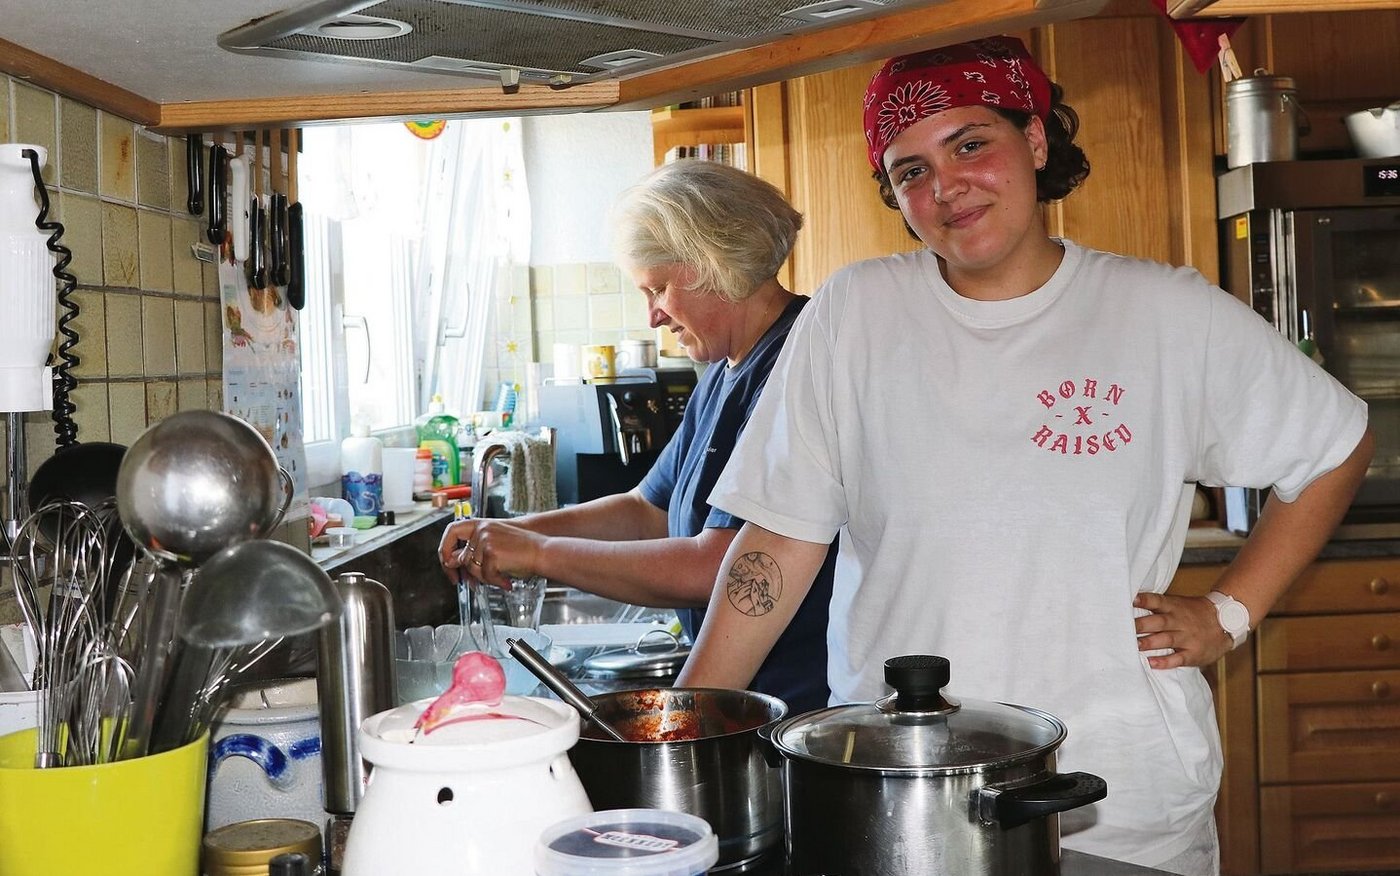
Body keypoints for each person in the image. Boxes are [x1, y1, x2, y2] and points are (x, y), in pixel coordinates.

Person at [675, 36, 1373, 875]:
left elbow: (1336, 444)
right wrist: (683, 735)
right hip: (899, 792)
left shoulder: (1163, 314)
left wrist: (1229, 613)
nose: (946, 187)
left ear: (1036, 140)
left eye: (970, 144)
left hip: (1116, 796)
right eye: (911, 170)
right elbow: (780, 541)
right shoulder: (854, 314)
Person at [438, 159, 837, 715]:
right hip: (745, 695)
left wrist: (540, 553)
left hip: (794, 704)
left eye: (659, 288)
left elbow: (718, 567)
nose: (652, 316)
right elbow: (646, 509)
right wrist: (512, 531)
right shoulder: (724, 370)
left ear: (716, 264)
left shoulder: (795, 363)